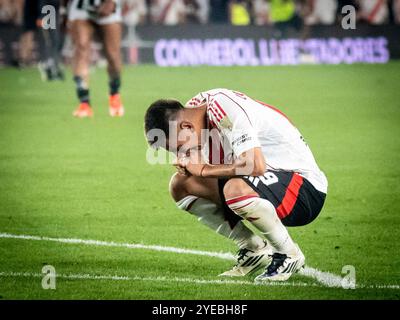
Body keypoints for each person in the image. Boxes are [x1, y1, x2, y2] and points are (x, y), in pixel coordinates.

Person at [144, 88, 328, 281]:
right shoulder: (192, 116)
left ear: (187, 127)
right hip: (267, 181)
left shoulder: (226, 110)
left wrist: (204, 169)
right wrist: (189, 161)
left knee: (235, 189)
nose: (178, 154)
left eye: (176, 147)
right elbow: (201, 162)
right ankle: (254, 248)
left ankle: (288, 254)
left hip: (303, 188)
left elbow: (255, 165)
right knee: (181, 185)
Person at [66, 0, 124, 117]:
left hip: (108, 6)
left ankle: (114, 93)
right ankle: (84, 102)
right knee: (81, 48)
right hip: (82, 6)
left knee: (112, 54)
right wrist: (63, 10)